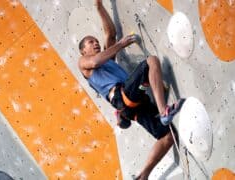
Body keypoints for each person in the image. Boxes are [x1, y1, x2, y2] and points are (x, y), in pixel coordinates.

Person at [78, 0, 184, 179]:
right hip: (122, 96)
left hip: (133, 104)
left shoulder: (108, 60)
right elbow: (95, 61)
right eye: (90, 42)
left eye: (96, 41)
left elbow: (110, 32)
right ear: (83, 51)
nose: (95, 43)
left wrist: (99, 7)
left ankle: (143, 175)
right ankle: (163, 112)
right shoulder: (84, 64)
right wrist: (122, 44)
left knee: (168, 136)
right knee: (151, 61)